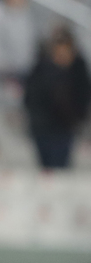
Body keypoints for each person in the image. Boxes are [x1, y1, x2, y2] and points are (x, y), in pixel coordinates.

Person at [24, 27, 91, 170]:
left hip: (65, 129)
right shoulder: (41, 68)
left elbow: (83, 97)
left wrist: (77, 119)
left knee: (61, 169)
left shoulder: (78, 69)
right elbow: (31, 97)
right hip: (43, 129)